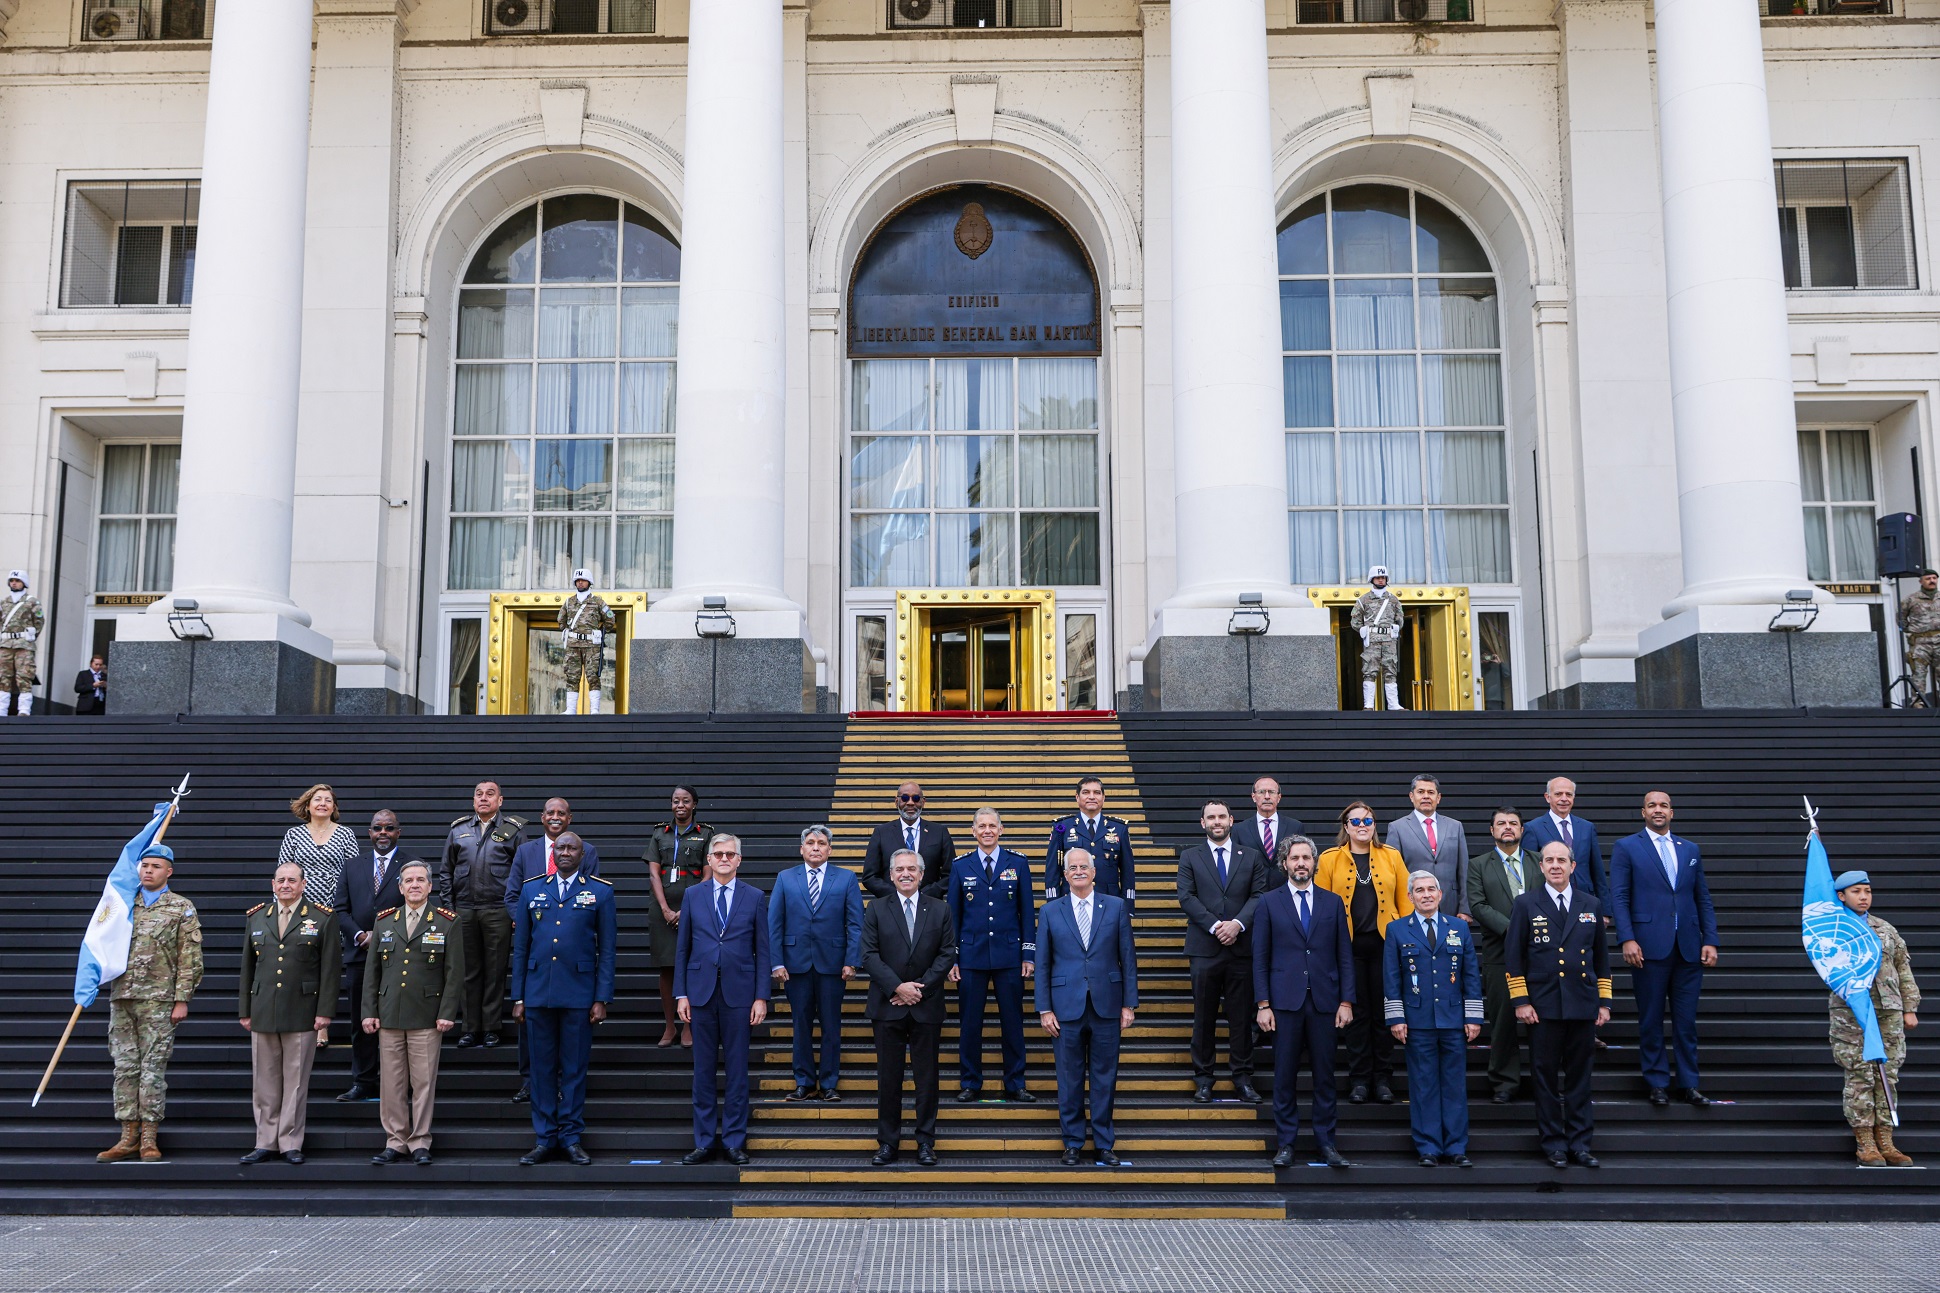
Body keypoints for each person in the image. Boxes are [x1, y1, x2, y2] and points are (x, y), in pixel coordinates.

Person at [511, 831, 616, 1165]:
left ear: (582, 854)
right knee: (541, 1071)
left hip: (579, 994)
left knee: (573, 1069)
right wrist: (518, 996)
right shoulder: (532, 889)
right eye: (561, 848)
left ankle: (570, 1136)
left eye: (572, 848)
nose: (566, 852)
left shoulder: (600, 891)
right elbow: (521, 947)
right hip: (538, 992)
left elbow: (608, 951)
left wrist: (602, 997)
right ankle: (544, 1138)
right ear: (552, 853)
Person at [1610, 789, 1719, 1108]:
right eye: (1652, 805)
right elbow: (1619, 897)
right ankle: (1657, 1082)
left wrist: (1710, 938)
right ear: (1642, 812)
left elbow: (1703, 898)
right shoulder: (1627, 847)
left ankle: (1689, 1083)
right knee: (1651, 1018)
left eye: (1664, 806)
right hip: (1647, 946)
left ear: (1672, 812)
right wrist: (1626, 938)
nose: (1658, 810)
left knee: (1686, 1022)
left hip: (1688, 948)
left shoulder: (1690, 849)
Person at [97, 839, 204, 1163]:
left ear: (168, 871)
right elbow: (100, 942)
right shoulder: (121, 905)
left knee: (152, 1071)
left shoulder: (180, 907)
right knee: (125, 1068)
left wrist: (181, 999)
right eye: (144, 865)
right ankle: (127, 1136)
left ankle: (148, 1138)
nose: (148, 870)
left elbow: (190, 958)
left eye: (155, 866)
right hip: (123, 997)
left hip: (158, 1001)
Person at [1506, 840, 1612, 1168]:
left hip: (1581, 1005)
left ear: (1573, 866)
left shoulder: (1590, 904)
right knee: (1546, 1079)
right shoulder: (1526, 904)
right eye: (1549, 860)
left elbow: (1602, 959)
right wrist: (1521, 1000)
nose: (1555, 865)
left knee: (1580, 1079)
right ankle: (1553, 1143)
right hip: (1543, 1007)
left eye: (1561, 860)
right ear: (1541, 867)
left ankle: (1580, 1144)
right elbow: (1513, 957)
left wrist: (1604, 1002)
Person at [1252, 836, 1353, 1170]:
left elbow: (1344, 956)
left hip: (1325, 1002)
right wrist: (1263, 1003)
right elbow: (1260, 957)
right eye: (1294, 858)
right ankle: (1286, 1143)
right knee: (1284, 1077)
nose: (1300, 863)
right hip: (1283, 1003)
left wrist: (1346, 1001)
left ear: (1314, 863)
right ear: (1284, 864)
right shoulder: (1268, 902)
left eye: (1306, 858)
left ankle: (1327, 1143)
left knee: (1325, 1077)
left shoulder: (1333, 902)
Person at [1035, 848, 1138, 1166]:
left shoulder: (1117, 907)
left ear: (1094, 872)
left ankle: (1104, 1143)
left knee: (1106, 1076)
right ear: (1064, 875)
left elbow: (1128, 958)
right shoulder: (1051, 911)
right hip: (1064, 1008)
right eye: (1072, 867)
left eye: (1084, 866)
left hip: (1107, 1004)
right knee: (1069, 1077)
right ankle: (1073, 1142)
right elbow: (1042, 964)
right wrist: (1044, 1009)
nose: (1078, 871)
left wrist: (1129, 1004)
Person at [675, 833, 771, 1165]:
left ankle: (733, 1140)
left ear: (740, 860)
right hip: (700, 994)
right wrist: (681, 993)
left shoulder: (756, 896)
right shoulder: (692, 895)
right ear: (710, 860)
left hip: (740, 995)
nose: (724, 858)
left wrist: (761, 997)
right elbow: (683, 948)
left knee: (737, 1071)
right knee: (703, 1072)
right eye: (718, 854)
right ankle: (703, 1141)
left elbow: (763, 951)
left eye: (731, 854)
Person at [361, 861, 465, 1165]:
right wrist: (369, 1011)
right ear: (400, 887)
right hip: (390, 1014)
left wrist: (447, 1012)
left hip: (427, 1016)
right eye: (409, 880)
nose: (415, 885)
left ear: (430, 886)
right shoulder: (384, 921)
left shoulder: (447, 922)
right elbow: (372, 972)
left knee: (422, 1082)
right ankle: (395, 1140)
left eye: (421, 880)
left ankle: (420, 1141)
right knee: (391, 1084)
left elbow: (454, 973)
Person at [860, 849, 958, 1166]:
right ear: (890, 874)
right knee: (889, 1079)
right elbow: (869, 955)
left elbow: (946, 955)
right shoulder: (875, 908)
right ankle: (888, 1143)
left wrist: (919, 989)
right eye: (899, 869)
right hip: (887, 1006)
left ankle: (925, 1142)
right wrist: (898, 987)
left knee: (927, 1080)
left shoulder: (940, 909)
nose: (905, 874)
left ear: (921, 874)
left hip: (926, 1006)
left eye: (911, 869)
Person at [238, 862, 340, 1164]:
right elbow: (247, 968)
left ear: (302, 884)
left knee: (295, 1082)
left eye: (292, 880)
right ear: (273, 884)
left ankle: (290, 1142)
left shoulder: (322, 918)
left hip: (302, 1011)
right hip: (263, 1010)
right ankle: (265, 1141)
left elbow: (331, 970)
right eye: (281, 880)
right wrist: (245, 1009)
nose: (286, 885)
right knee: (265, 1081)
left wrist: (325, 1013)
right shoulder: (257, 917)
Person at [505, 797, 603, 1102]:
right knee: (532, 1030)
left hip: (571, 960)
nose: (556, 817)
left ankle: (563, 1083)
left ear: (570, 818)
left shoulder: (586, 851)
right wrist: (527, 922)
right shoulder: (525, 851)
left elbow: (591, 893)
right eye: (551, 813)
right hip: (537, 948)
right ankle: (529, 1080)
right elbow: (512, 896)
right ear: (542, 817)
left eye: (562, 813)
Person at [1383, 871, 1482, 1166]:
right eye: (1419, 890)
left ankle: (1455, 1146)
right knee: (1423, 1084)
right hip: (1417, 1019)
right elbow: (1392, 977)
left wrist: (1473, 1016)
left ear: (1440, 895)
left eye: (1431, 890)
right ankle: (1428, 1146)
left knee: (1454, 1084)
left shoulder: (1458, 928)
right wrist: (1396, 1017)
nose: (1426, 895)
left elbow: (1471, 975)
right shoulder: (1397, 929)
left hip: (1453, 1019)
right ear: (1410, 897)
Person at [1176, 800, 1272, 1104]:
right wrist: (1217, 926)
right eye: (1211, 817)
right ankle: (1203, 1079)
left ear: (1231, 820)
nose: (1217, 821)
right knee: (1203, 1017)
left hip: (1242, 948)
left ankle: (1242, 1078)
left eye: (1222, 816)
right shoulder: (1190, 856)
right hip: (1204, 948)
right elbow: (1186, 897)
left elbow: (1259, 895)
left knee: (1242, 1018)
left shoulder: (1252, 856)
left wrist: (1238, 924)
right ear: (1202, 823)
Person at [1318, 801, 1411, 1105]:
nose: (1362, 826)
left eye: (1368, 821)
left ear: (1375, 825)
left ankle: (1382, 1079)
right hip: (1347, 948)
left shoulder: (1391, 856)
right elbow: (1319, 905)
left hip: (1385, 945)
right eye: (1355, 821)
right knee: (1356, 1015)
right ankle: (1359, 1080)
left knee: (1384, 1013)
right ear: (1345, 826)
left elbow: (1406, 902)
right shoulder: (1330, 858)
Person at [947, 807, 1037, 1104]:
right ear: (973, 832)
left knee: (1013, 1023)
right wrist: (953, 958)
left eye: (992, 826)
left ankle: (1016, 1082)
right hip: (971, 957)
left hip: (1009, 956)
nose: (987, 830)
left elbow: (1026, 912)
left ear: (1001, 830)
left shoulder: (1019, 863)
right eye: (981, 826)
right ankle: (971, 1082)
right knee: (970, 1024)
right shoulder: (961, 865)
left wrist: (1028, 954)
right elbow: (953, 916)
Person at [1830, 871, 1920, 1167]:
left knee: (1888, 1074)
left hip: (1888, 1011)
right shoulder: (1832, 929)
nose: (1864, 896)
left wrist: (1909, 1007)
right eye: (1856, 891)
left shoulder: (1884, 929)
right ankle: (1865, 1141)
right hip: (1852, 1013)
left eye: (1867, 890)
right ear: (1841, 896)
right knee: (1860, 1074)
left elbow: (1902, 969)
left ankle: (1886, 1139)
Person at [769, 826, 864, 1102]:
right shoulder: (785, 878)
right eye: (810, 842)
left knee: (831, 1026)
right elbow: (774, 925)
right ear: (801, 848)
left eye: (821, 843)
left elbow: (855, 924)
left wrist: (852, 961)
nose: (815, 847)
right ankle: (804, 1082)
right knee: (801, 1025)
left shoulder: (846, 878)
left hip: (833, 965)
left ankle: (830, 1083)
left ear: (829, 849)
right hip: (795, 965)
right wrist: (776, 962)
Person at [438, 781, 528, 1048]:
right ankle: (470, 1027)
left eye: (490, 794)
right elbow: (445, 872)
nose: (484, 798)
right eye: (479, 794)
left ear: (500, 800)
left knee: (495, 970)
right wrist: (448, 910)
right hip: (464, 909)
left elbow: (524, 873)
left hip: (498, 908)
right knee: (468, 970)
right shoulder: (459, 829)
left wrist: (516, 911)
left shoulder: (513, 829)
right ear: (473, 800)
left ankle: (491, 1027)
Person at [331, 809, 409, 1104]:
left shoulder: (409, 865)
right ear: (370, 833)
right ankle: (363, 1081)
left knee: (396, 1021)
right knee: (360, 1021)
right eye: (378, 828)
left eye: (389, 828)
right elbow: (341, 909)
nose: (383, 833)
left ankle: (396, 1084)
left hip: (398, 957)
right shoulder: (352, 866)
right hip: (359, 954)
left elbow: (414, 905)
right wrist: (361, 936)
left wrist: (384, 936)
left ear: (398, 832)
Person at [1468, 806, 1540, 1103]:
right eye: (1501, 823)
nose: (1507, 827)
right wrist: (1513, 930)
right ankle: (1504, 1082)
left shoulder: (1540, 860)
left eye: (1513, 823)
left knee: (1543, 1021)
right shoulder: (1479, 865)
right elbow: (1478, 905)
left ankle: (1543, 1080)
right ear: (1492, 831)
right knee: (1503, 1020)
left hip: (1541, 952)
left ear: (1522, 830)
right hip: (1500, 952)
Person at [644, 785, 711, 1048]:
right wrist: (665, 909)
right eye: (675, 801)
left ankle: (688, 1026)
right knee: (667, 967)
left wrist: (688, 910)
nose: (680, 805)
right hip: (663, 908)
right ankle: (670, 1025)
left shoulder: (705, 833)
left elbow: (708, 874)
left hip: (695, 907)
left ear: (694, 804)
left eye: (685, 801)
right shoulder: (660, 833)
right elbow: (653, 873)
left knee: (692, 966)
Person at [1043, 776, 1136, 910]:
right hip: (1071, 901)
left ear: (1103, 798)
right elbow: (1052, 870)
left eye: (1097, 792)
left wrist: (1127, 905)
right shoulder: (1062, 827)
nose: (1092, 797)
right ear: (1077, 797)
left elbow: (1128, 871)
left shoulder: (1119, 828)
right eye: (1086, 792)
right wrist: (1053, 903)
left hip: (1109, 903)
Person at [1385, 775, 1469, 920]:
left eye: (1431, 792)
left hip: (1450, 906)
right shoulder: (1397, 828)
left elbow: (1464, 870)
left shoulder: (1455, 826)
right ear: (1411, 796)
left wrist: (1465, 909)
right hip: (1412, 908)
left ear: (1438, 797)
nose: (1426, 796)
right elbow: (1391, 874)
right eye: (1421, 792)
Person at [861, 782, 954, 901]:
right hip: (891, 907)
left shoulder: (939, 832)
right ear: (896, 801)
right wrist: (897, 896)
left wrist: (925, 895)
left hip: (930, 906)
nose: (910, 803)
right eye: (905, 798)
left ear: (923, 802)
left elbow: (951, 874)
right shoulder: (881, 833)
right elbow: (869, 876)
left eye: (915, 798)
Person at [279, 783, 360, 911]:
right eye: (317, 799)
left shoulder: (346, 834)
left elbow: (355, 873)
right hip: (299, 902)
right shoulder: (293, 834)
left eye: (328, 801)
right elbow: (282, 873)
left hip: (336, 902)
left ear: (333, 808)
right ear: (307, 806)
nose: (323, 803)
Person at [1521, 777, 1605, 898]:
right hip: (1548, 900)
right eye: (1558, 794)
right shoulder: (1533, 828)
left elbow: (1598, 871)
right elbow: (1530, 873)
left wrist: (1605, 912)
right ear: (1547, 797)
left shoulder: (1587, 827)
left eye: (1569, 794)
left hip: (1584, 898)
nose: (1564, 799)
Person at [557, 568, 616, 715]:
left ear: (589, 582)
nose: (580, 582)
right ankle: (571, 709)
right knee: (572, 676)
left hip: (591, 646)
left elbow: (610, 619)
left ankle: (594, 709)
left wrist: (600, 632)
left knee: (593, 676)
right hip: (573, 646)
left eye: (583, 580)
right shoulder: (568, 602)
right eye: (577, 580)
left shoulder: (598, 601)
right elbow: (560, 620)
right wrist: (568, 632)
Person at [1349, 564, 1403, 711]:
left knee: (1390, 670)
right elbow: (1355, 620)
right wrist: (1363, 630)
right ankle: (1368, 705)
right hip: (1372, 640)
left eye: (1383, 578)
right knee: (1369, 670)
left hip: (1389, 640)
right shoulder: (1363, 600)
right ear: (1372, 579)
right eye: (1378, 578)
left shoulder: (1393, 600)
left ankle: (1393, 705)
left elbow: (1400, 619)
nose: (1381, 580)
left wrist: (1396, 627)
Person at [1231, 777, 1305, 865]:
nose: (1267, 797)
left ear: (1279, 797)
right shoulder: (1239, 830)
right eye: (1261, 792)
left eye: (1271, 792)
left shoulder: (1295, 827)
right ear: (1253, 797)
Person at [0, 569, 42, 716]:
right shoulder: (4, 602)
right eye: (12, 581)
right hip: (5, 644)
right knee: (3, 677)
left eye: (17, 581)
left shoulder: (32, 602)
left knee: (24, 675)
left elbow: (39, 621)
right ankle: (2, 709)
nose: (14, 583)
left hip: (24, 644)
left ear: (24, 583)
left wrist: (31, 636)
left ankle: (24, 710)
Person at [1896, 567, 1940, 700]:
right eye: (1928, 579)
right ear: (1921, 581)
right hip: (1920, 643)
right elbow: (1901, 619)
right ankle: (1918, 704)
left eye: (1934, 578)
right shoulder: (1911, 599)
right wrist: (1911, 632)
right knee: (1919, 674)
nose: (1932, 581)